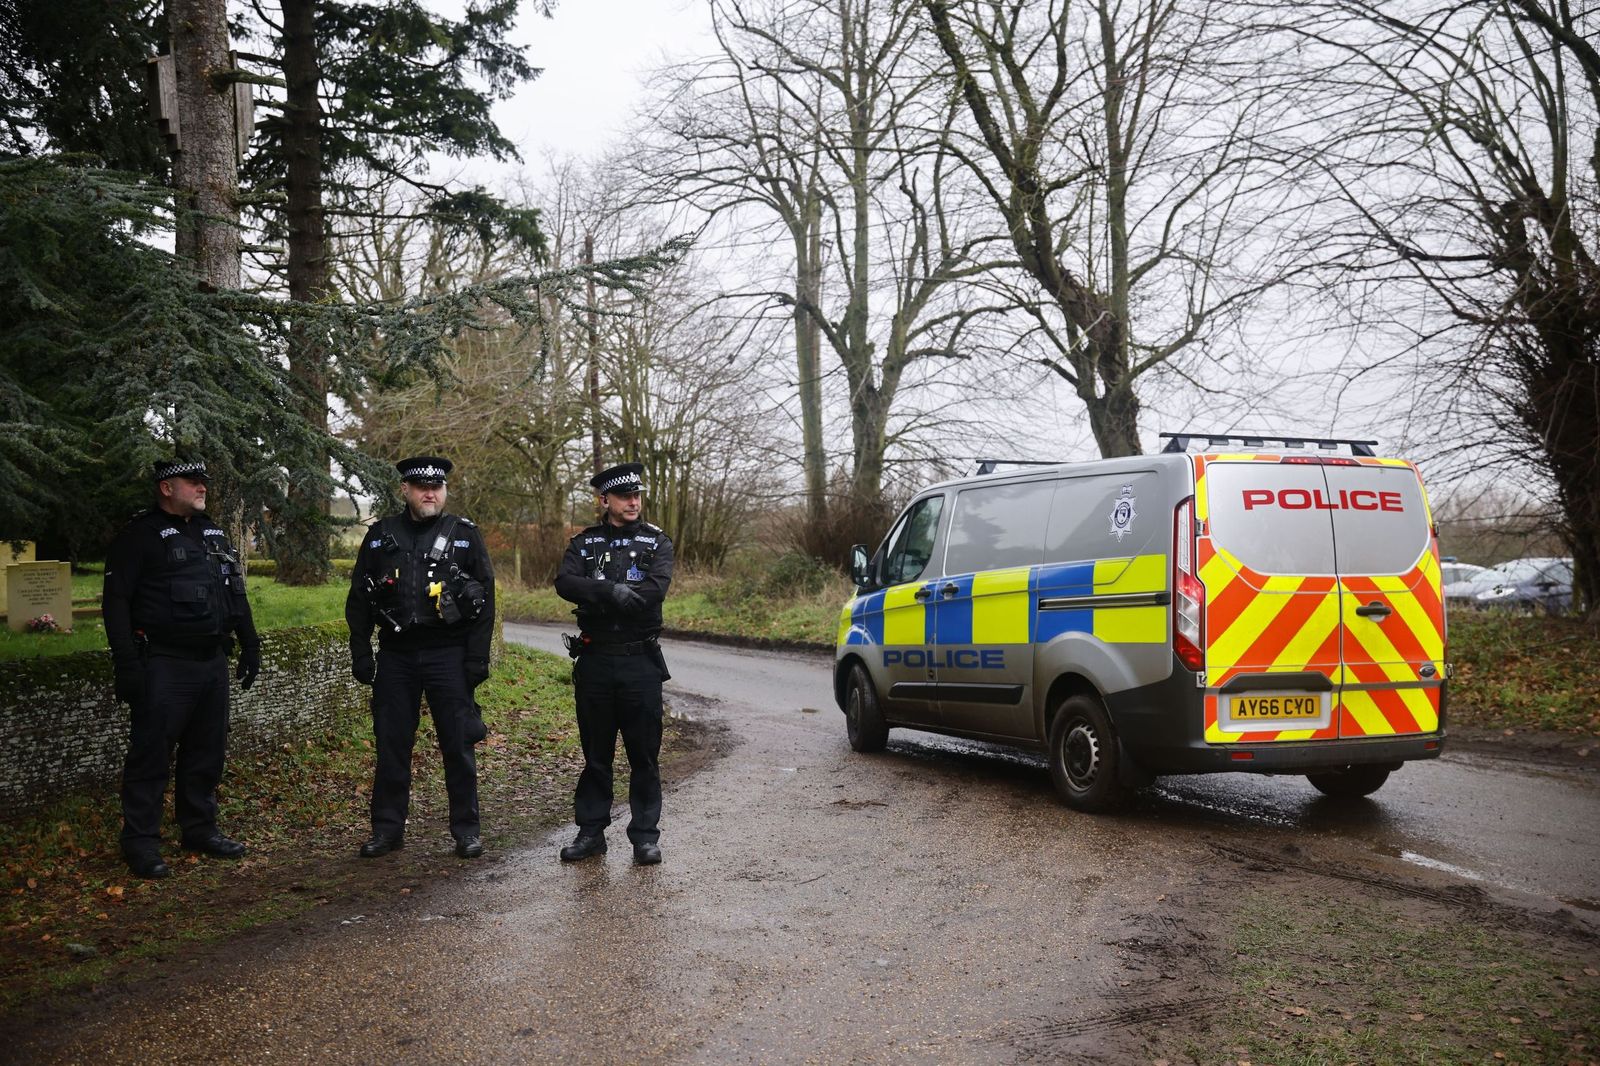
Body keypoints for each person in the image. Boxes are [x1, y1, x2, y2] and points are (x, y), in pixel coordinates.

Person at [102, 459, 261, 880]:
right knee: (151, 754)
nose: (201, 487)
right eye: (192, 482)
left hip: (211, 660)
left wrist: (250, 641)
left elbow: (235, 590)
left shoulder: (212, 532)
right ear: (167, 488)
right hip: (165, 663)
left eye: (204, 481)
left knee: (207, 750)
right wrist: (127, 665)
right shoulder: (139, 537)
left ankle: (199, 828)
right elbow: (115, 603)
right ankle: (140, 842)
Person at [347, 455, 495, 860]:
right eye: (422, 487)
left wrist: (476, 660)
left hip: (448, 654)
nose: (431, 493)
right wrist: (361, 652)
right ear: (405, 491)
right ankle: (387, 830)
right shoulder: (380, 536)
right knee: (391, 745)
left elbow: (486, 600)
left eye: (438, 487)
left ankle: (466, 831)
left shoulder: (463, 535)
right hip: (396, 656)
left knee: (458, 745)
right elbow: (359, 599)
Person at [554, 461, 676, 865]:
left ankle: (644, 836)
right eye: (625, 497)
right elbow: (565, 583)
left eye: (637, 496)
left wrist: (602, 595)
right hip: (595, 661)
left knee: (643, 754)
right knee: (596, 754)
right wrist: (609, 591)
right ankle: (591, 832)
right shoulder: (584, 543)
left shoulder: (657, 542)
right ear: (605, 500)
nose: (633, 502)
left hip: (639, 660)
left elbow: (654, 590)